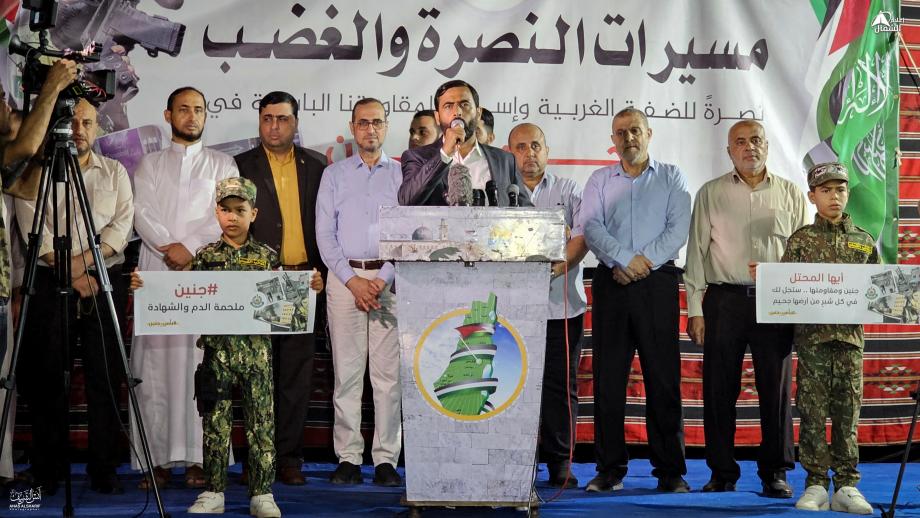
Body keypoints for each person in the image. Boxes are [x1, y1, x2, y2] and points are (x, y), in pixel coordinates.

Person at [132, 178, 322, 517]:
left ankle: (262, 493)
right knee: (215, 426)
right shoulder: (205, 257)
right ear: (216, 213)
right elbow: (180, 296)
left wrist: (311, 289)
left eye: (239, 210)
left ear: (254, 214)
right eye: (225, 210)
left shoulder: (266, 257)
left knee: (261, 424)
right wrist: (145, 288)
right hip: (216, 356)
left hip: (257, 356)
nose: (232, 217)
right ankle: (213, 490)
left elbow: (284, 306)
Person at [14, 98, 133, 495]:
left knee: (106, 377)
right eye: (71, 121)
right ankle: (48, 470)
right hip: (50, 284)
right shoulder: (35, 174)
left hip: (103, 281)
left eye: (87, 122)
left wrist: (87, 269)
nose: (78, 129)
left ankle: (104, 468)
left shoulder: (115, 171)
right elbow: (35, 233)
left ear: (98, 128)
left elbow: (122, 226)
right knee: (48, 378)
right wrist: (73, 272)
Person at [684, 120, 808, 498]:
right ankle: (722, 471)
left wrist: (795, 298)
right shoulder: (711, 193)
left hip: (777, 301)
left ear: (767, 146)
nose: (749, 147)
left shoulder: (790, 194)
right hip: (724, 301)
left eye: (756, 140)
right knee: (719, 390)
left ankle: (776, 472)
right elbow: (696, 255)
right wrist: (695, 309)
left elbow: (804, 256)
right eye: (740, 142)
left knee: (776, 391)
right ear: (729, 151)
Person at [131, 86, 239, 489]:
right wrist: (169, 248)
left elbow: (227, 214)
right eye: (183, 109)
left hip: (203, 274)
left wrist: (190, 248)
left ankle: (200, 458)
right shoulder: (149, 164)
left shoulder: (223, 163)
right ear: (168, 115)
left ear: (206, 116)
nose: (192, 116)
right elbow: (141, 211)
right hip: (157, 272)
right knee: (154, 368)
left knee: (203, 366)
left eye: (198, 110)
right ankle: (155, 460)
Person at [579, 108, 691, 493]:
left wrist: (641, 263)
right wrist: (624, 260)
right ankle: (610, 469)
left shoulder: (672, 176)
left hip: (658, 283)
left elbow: (677, 229)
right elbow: (591, 227)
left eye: (635, 131)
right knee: (608, 380)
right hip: (611, 281)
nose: (629, 138)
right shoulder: (599, 180)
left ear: (649, 134)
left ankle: (670, 471)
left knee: (663, 378)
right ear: (613, 140)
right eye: (621, 132)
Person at [235, 91, 328, 485]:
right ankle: (258, 458)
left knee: (295, 377)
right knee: (256, 375)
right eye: (267, 118)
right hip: (259, 281)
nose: (274, 126)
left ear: (296, 123)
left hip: (302, 281)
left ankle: (289, 458)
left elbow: (328, 224)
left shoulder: (317, 166)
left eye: (283, 119)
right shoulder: (241, 165)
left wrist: (322, 272)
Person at [779, 163, 876, 514]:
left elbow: (879, 295)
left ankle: (847, 485)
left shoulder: (864, 241)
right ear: (812, 196)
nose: (834, 196)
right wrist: (769, 279)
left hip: (850, 343)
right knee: (813, 412)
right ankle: (816, 483)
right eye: (825, 190)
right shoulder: (801, 240)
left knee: (848, 414)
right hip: (813, 343)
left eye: (840, 189)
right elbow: (784, 292)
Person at [316, 98, 402, 486]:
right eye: (363, 123)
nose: (370, 129)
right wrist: (353, 281)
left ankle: (386, 459)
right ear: (352, 128)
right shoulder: (333, 175)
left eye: (377, 122)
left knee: (387, 377)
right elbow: (324, 235)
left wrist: (381, 279)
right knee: (348, 374)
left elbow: (409, 234)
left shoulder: (402, 175)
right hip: (344, 280)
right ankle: (348, 458)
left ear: (386, 127)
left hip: (389, 281)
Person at [507, 123, 587, 487]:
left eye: (536, 146)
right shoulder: (498, 192)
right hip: (510, 309)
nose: (530, 153)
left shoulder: (568, 190)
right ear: (510, 154)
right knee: (512, 385)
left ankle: (559, 463)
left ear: (547, 150)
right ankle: (516, 461)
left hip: (561, 307)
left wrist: (552, 271)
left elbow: (583, 235)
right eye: (521, 147)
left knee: (559, 388)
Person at [398, 79, 530, 207]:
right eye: (448, 106)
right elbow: (407, 200)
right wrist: (444, 154)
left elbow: (527, 212)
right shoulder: (417, 157)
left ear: (478, 113)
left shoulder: (505, 160)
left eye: (464, 104)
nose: (457, 112)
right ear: (437, 117)